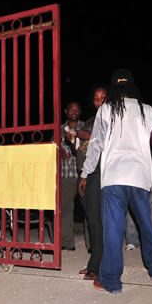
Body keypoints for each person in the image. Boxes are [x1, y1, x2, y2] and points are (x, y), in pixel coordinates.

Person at [79, 69, 152, 293]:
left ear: (113, 89)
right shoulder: (147, 111)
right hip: (139, 177)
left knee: (113, 230)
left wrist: (85, 173)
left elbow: (96, 145)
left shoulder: (106, 110)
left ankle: (111, 281)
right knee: (146, 226)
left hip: (113, 178)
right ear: (133, 87)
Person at [76, 84, 107, 280]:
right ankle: (95, 262)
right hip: (92, 170)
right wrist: (85, 174)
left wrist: (90, 136)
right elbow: (88, 149)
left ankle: (101, 265)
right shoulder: (91, 120)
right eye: (96, 98)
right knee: (94, 218)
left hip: (108, 171)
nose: (99, 102)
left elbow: (108, 143)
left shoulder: (114, 117)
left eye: (103, 97)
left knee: (103, 219)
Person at [60, 100, 85, 251]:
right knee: (65, 210)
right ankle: (67, 243)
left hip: (84, 174)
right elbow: (52, 150)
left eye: (76, 110)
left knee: (89, 210)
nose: (74, 112)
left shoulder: (86, 127)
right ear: (66, 111)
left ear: (80, 112)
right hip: (65, 174)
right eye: (71, 109)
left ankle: (92, 245)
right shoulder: (58, 129)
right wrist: (59, 154)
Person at [125, 179, 152, 250]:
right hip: (129, 183)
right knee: (130, 210)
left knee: (150, 208)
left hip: (147, 183)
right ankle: (132, 240)